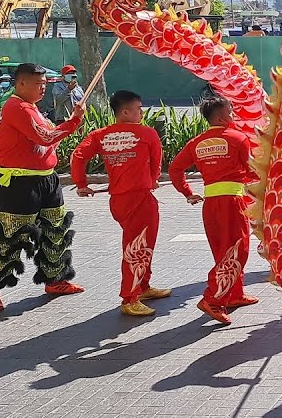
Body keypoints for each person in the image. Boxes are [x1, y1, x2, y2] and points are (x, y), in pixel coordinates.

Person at [0, 63, 85, 312]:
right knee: (13, 237)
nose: (43, 87)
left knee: (55, 230)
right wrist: (74, 122)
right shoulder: (16, 107)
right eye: (39, 84)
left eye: (45, 83)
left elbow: (47, 139)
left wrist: (66, 125)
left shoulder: (33, 108)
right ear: (21, 84)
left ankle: (55, 279)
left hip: (46, 178)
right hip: (18, 182)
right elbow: (44, 137)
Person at [70, 90, 171, 316]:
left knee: (139, 244)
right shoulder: (148, 133)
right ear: (125, 112)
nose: (142, 112)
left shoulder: (100, 135)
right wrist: (152, 180)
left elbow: (78, 155)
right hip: (140, 199)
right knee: (137, 247)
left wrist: (81, 183)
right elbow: (156, 163)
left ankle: (142, 287)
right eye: (138, 109)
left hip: (118, 200)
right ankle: (130, 298)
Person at [169, 96, 260, 325]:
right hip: (233, 203)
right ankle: (212, 299)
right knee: (237, 250)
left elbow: (175, 168)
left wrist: (188, 192)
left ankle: (234, 294)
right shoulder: (238, 139)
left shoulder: (197, 143)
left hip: (210, 204)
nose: (233, 115)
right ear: (220, 117)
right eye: (230, 112)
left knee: (223, 250)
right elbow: (252, 171)